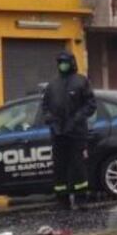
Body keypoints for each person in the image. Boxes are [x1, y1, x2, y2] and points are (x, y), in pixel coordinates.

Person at [41, 51, 97, 209]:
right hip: (58, 134)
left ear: (71, 63)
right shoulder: (52, 85)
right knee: (59, 167)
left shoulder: (81, 82)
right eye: (60, 62)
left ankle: (81, 199)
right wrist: (51, 121)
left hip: (76, 133)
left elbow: (90, 104)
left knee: (78, 166)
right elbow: (45, 106)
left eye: (65, 62)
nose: (62, 65)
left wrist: (77, 119)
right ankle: (62, 199)